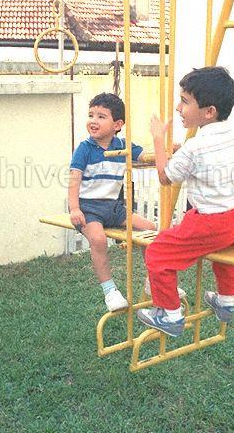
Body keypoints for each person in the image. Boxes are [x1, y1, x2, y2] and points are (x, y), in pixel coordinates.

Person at [137, 66, 234, 337]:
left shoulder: (195, 147)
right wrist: (182, 153)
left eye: (185, 101)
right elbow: (211, 161)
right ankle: (225, 301)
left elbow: (166, 177)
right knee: (226, 254)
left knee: (158, 254)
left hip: (214, 222)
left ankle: (170, 315)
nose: (179, 107)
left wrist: (158, 140)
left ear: (209, 111)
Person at [68, 92, 157, 311]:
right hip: (88, 209)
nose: (93, 121)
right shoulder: (85, 148)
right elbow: (74, 178)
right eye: (91, 115)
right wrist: (74, 208)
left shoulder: (123, 146)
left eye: (101, 116)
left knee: (152, 231)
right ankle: (110, 292)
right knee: (98, 239)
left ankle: (153, 282)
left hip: (113, 208)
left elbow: (145, 156)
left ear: (117, 124)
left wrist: (166, 149)